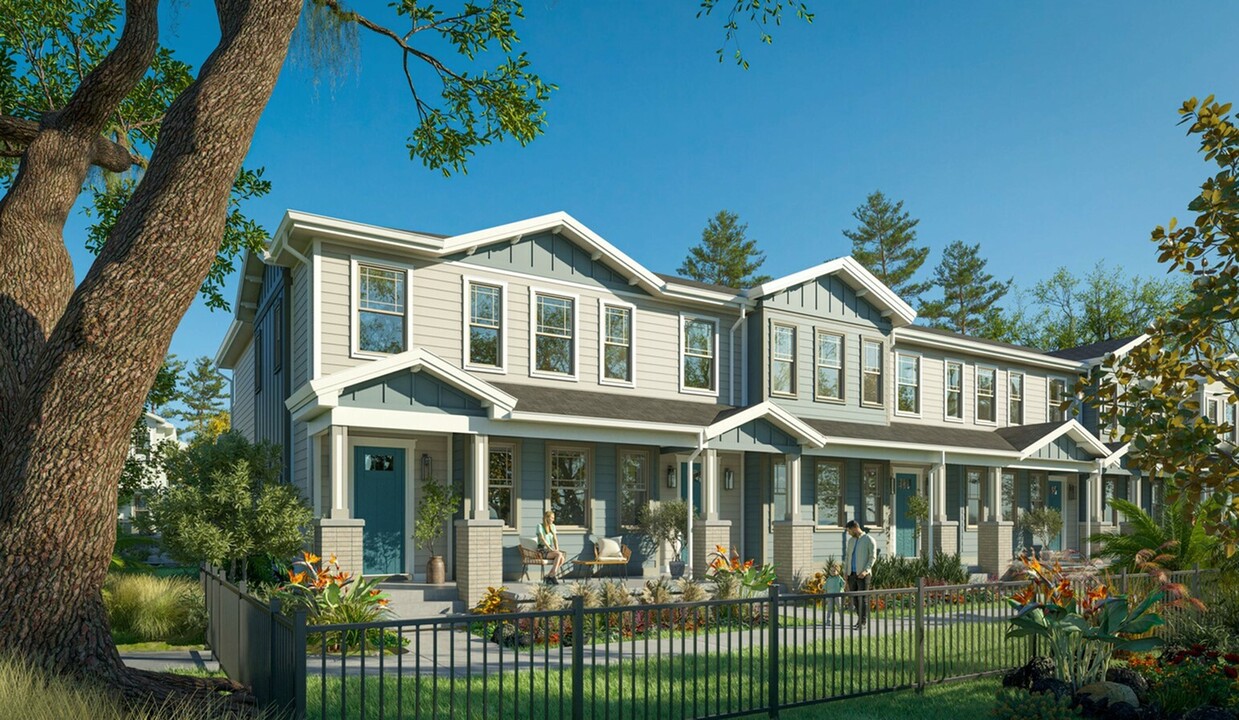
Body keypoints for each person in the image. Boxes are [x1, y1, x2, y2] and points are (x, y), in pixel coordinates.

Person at [844, 520, 876, 629]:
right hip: (851, 574)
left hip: (863, 575)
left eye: (849, 530)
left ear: (854, 528)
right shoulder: (851, 541)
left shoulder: (869, 540)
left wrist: (866, 571)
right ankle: (860, 620)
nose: (848, 533)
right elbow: (848, 557)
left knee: (863, 598)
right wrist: (846, 572)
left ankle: (863, 622)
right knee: (854, 599)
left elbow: (872, 557)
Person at [537, 510, 566, 585]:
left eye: (553, 518)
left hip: (549, 549)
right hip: (542, 549)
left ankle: (550, 575)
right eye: (552, 518)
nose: (553, 520)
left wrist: (557, 548)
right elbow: (542, 539)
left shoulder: (553, 526)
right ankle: (552, 575)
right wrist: (549, 548)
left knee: (561, 557)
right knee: (559, 555)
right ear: (547, 518)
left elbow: (555, 538)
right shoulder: (540, 526)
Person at [824, 561, 845, 626]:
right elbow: (825, 587)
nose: (832, 572)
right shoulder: (828, 579)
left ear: (838, 572)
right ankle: (828, 621)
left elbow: (843, 584)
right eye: (831, 570)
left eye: (834, 571)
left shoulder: (839, 578)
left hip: (837, 595)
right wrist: (825, 593)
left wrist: (841, 591)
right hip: (830, 595)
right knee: (829, 609)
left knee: (840, 608)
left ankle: (842, 621)